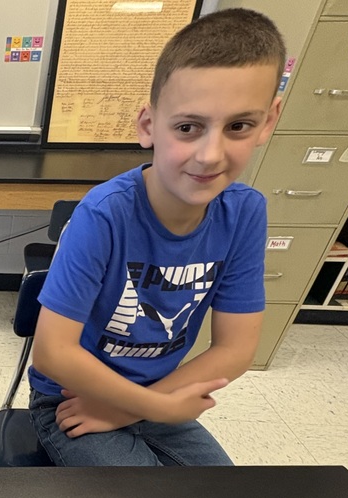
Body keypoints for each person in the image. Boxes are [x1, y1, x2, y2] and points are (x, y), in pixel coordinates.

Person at [29, 8, 285, 467]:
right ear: (148, 125)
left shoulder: (245, 213)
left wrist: (138, 407)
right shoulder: (104, 215)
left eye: (238, 126)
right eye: (188, 128)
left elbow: (235, 347)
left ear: (269, 121)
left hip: (153, 396)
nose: (210, 155)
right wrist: (155, 408)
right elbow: (51, 352)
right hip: (74, 400)